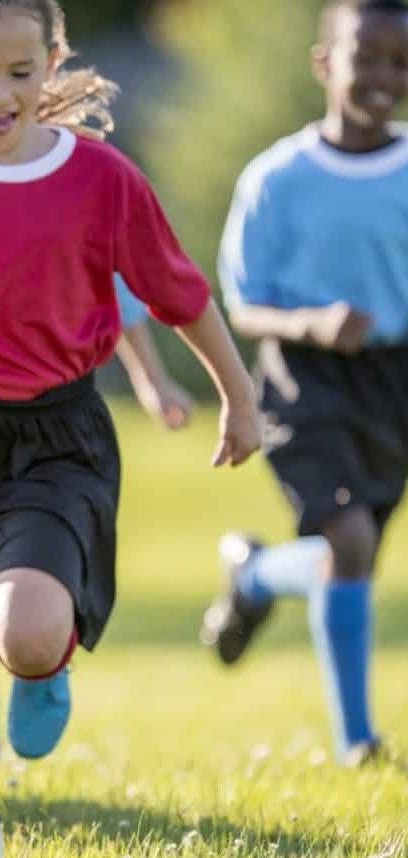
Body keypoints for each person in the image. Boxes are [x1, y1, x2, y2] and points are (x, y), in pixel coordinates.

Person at [0, 0, 260, 774]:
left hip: (55, 437)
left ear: (53, 63)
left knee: (24, 636)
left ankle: (45, 659)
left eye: (19, 73)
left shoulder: (100, 179)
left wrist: (238, 396)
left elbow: (179, 292)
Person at [201, 0, 408, 766]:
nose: (386, 75)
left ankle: (253, 574)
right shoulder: (277, 178)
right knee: (346, 542)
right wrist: (314, 322)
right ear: (326, 64)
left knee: (349, 560)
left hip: (395, 382)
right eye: (369, 57)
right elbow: (242, 302)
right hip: (304, 380)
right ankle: (358, 742)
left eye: (400, 60)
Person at [0, 278, 194, 761]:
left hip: (42, 424)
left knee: (14, 576)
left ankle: (37, 662)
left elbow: (113, 281)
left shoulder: (59, 205)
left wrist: (151, 377)